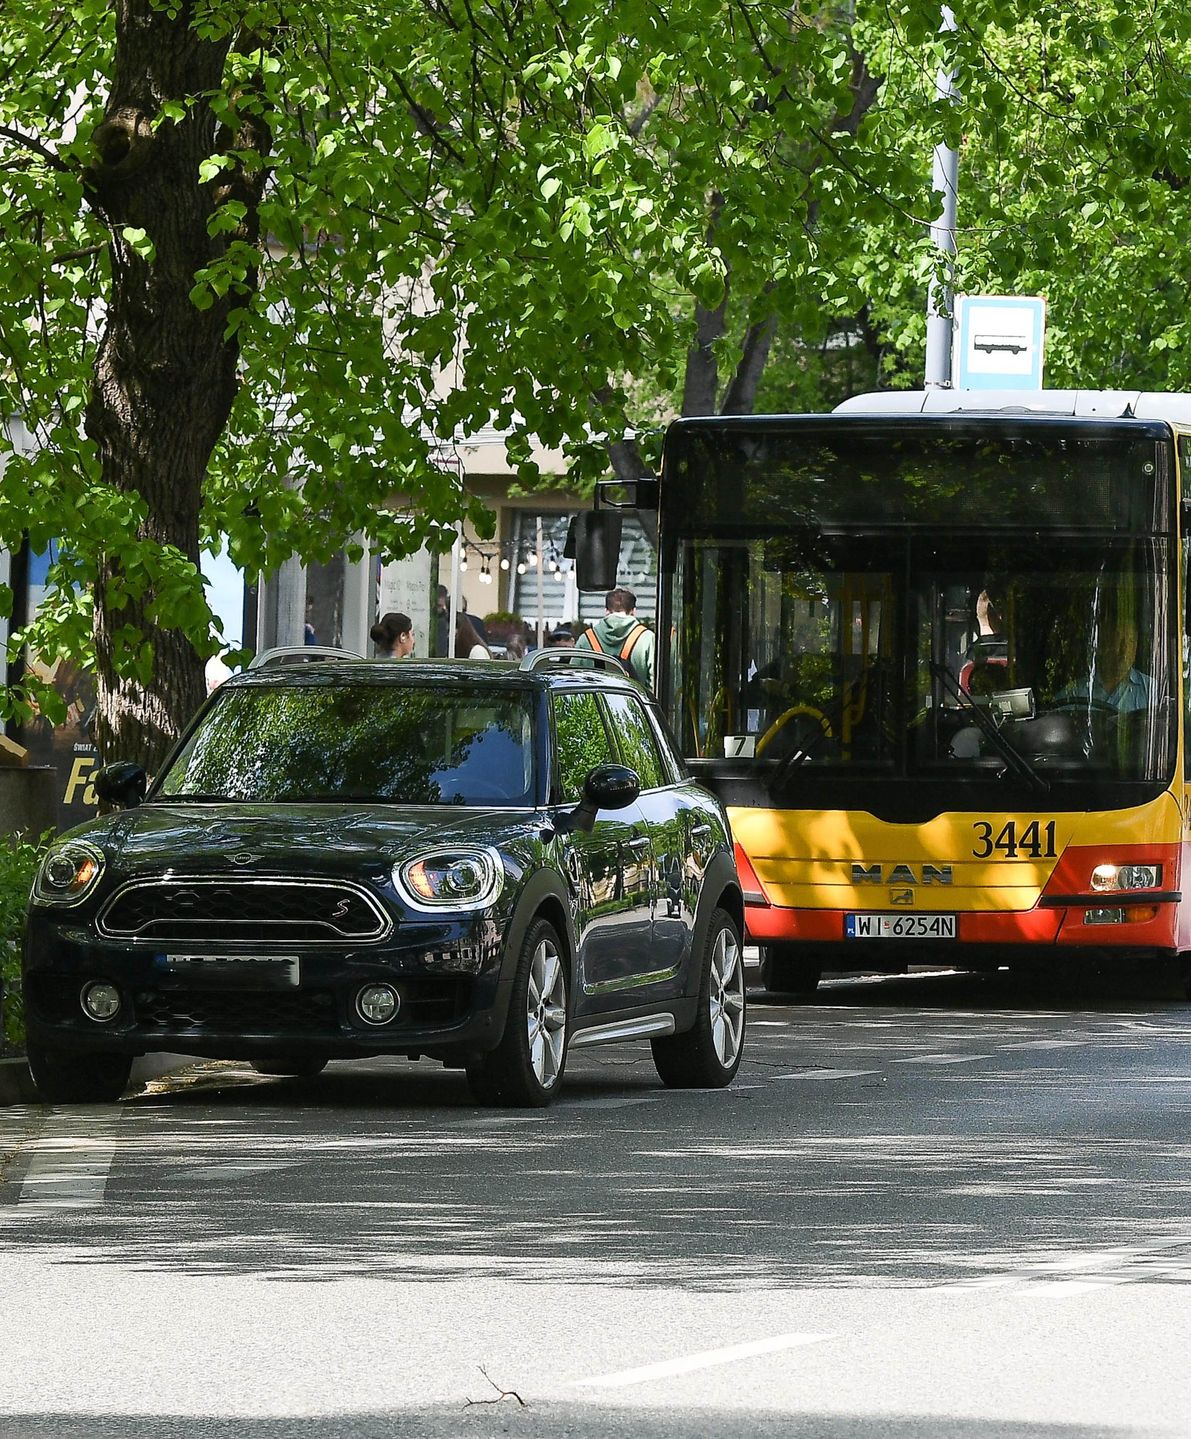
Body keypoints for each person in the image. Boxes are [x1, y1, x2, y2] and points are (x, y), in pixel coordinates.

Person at [574, 587, 654, 687]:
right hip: (634, 696)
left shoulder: (586, 639)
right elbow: (655, 682)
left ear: (606, 611)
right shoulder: (647, 638)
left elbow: (573, 679)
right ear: (633, 611)